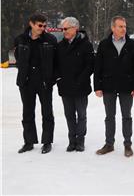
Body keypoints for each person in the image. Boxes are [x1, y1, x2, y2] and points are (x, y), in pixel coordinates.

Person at [94, 16, 134, 157]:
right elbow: (98, 68)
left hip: (127, 86)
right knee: (109, 116)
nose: (123, 29)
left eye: (125, 26)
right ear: (113, 28)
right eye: (120, 26)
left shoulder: (132, 44)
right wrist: (97, 86)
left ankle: (128, 144)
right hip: (108, 86)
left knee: (127, 116)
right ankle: (109, 144)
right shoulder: (104, 44)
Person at [14, 13, 57, 154]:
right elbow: (17, 58)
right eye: (40, 25)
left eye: (44, 26)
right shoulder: (20, 39)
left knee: (47, 112)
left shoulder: (50, 40)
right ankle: (29, 141)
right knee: (27, 112)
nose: (42, 28)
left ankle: (47, 142)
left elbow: (56, 62)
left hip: (44, 81)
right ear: (31, 24)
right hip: (26, 81)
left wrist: (51, 79)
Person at [56, 17, 94, 152]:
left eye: (65, 29)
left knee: (81, 115)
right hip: (65, 87)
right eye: (62, 29)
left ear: (75, 28)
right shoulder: (60, 46)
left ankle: (80, 140)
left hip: (81, 87)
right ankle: (72, 140)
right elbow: (56, 66)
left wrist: (80, 80)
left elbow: (90, 65)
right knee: (69, 115)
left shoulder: (86, 45)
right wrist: (59, 79)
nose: (63, 31)